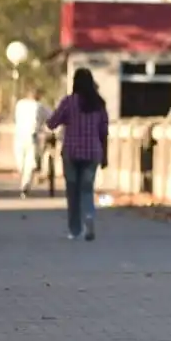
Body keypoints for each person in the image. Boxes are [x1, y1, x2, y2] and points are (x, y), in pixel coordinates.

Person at [47, 69, 109, 241]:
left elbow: (52, 123)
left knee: (72, 192)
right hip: (93, 153)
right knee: (87, 189)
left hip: (72, 153)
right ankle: (89, 217)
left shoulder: (69, 102)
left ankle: (75, 230)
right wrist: (105, 156)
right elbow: (104, 132)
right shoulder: (99, 104)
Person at [13, 89, 49, 198]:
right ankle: (25, 184)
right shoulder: (39, 106)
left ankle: (24, 181)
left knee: (21, 161)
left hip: (19, 135)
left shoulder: (19, 104)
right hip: (31, 136)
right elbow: (50, 117)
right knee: (29, 161)